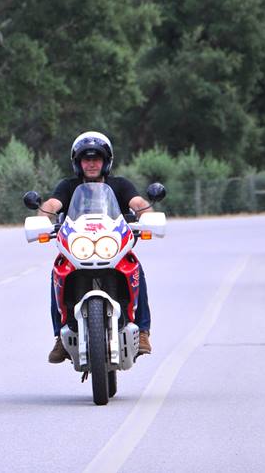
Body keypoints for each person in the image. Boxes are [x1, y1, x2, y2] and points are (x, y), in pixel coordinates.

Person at [36, 131, 155, 363]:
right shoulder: (69, 186)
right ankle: (60, 336)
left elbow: (137, 202)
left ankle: (142, 331)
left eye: (96, 158)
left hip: (113, 248)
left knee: (136, 269)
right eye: (86, 159)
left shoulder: (119, 185)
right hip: (77, 250)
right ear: (78, 163)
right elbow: (53, 204)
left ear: (106, 161)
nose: (91, 163)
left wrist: (147, 214)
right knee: (57, 273)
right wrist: (44, 216)